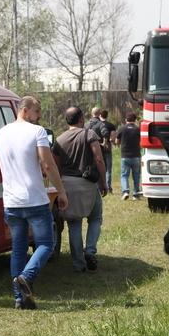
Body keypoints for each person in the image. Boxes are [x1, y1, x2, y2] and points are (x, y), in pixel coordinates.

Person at [0, 96, 68, 310]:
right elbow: (48, 165)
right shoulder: (37, 132)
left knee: (19, 249)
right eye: (37, 111)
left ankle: (20, 299)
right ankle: (27, 277)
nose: (38, 116)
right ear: (26, 110)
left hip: (11, 201)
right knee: (46, 244)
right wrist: (61, 191)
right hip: (35, 199)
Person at [54, 106, 107, 273]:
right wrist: (103, 182)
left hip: (67, 185)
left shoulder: (59, 139)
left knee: (74, 224)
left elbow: (56, 166)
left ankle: (78, 264)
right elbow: (98, 158)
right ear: (82, 119)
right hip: (87, 184)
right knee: (96, 217)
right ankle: (90, 251)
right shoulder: (89, 134)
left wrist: (59, 187)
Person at [114, 112, 142, 201]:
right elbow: (142, 142)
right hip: (136, 156)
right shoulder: (138, 129)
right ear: (135, 120)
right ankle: (136, 194)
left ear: (126, 120)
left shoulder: (122, 129)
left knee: (124, 175)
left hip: (125, 156)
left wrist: (119, 144)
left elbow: (116, 141)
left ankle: (125, 191)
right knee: (136, 175)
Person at [97, 109, 117, 193]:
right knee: (108, 169)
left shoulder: (97, 125)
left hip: (98, 148)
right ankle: (108, 187)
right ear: (107, 116)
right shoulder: (111, 125)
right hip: (107, 148)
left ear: (99, 115)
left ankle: (99, 186)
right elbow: (112, 138)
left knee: (99, 166)